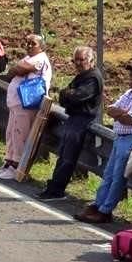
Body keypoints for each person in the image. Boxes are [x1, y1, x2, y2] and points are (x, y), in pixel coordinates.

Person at [75, 61, 132, 222]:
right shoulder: (129, 93)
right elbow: (110, 109)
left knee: (118, 177)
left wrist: (120, 114)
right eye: (131, 75)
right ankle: (99, 205)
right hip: (120, 138)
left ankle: (106, 211)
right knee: (108, 174)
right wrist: (122, 113)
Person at [35, 46, 103, 201]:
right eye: (76, 60)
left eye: (82, 60)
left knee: (68, 157)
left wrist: (68, 95)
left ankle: (57, 190)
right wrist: (67, 95)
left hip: (82, 120)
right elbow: (64, 95)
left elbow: (77, 96)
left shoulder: (92, 77)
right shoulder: (82, 76)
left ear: (91, 60)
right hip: (74, 118)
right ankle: (53, 188)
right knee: (63, 154)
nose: (78, 63)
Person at [0, 34, 52, 179]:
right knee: (11, 133)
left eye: (33, 43)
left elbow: (19, 69)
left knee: (20, 135)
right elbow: (14, 70)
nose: (29, 46)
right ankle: (9, 162)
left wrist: (17, 68)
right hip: (16, 103)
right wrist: (17, 69)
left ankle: (16, 166)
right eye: (27, 43)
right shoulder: (29, 57)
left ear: (41, 46)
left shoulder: (40, 58)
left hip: (27, 104)